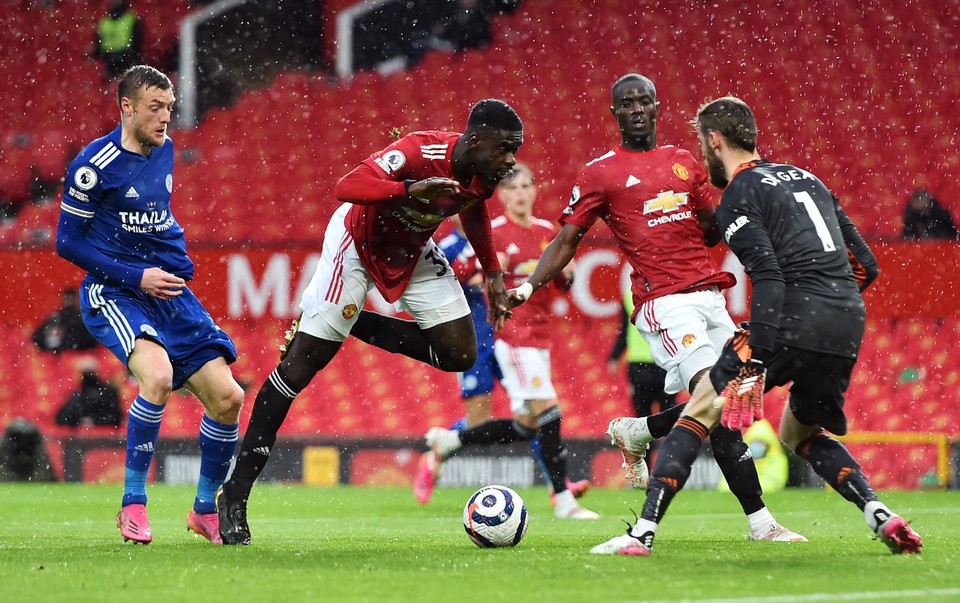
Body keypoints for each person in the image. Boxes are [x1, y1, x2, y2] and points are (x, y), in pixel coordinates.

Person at [590, 95, 921, 556]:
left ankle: (641, 533)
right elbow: (867, 264)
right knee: (798, 433)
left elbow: (767, 274)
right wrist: (829, 310)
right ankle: (878, 512)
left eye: (703, 147)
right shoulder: (808, 178)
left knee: (701, 410)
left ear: (714, 141)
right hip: (845, 322)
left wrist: (759, 353)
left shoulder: (740, 194)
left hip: (792, 320)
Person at [503, 74, 804, 543]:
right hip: (664, 302)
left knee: (727, 403)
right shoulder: (600, 172)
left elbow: (710, 228)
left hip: (709, 296)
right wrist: (527, 287)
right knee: (715, 399)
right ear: (615, 113)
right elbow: (566, 240)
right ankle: (757, 523)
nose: (637, 109)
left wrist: (745, 208)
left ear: (657, 107)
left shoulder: (684, 162)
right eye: (627, 103)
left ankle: (640, 431)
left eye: (644, 101)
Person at [216, 99, 524, 545]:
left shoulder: (483, 174)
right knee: (299, 368)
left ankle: (347, 320)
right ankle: (235, 494)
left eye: (515, 150)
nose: (511, 160)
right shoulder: (419, 151)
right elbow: (348, 185)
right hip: (357, 242)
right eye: (505, 149)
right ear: (475, 141)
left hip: (410, 249)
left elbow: (472, 207)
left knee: (459, 352)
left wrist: (492, 272)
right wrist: (408, 190)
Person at [56, 65, 245, 545]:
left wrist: (170, 257)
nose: (165, 117)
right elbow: (67, 242)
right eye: (155, 107)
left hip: (168, 292)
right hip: (115, 291)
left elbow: (153, 217)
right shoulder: (93, 165)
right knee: (157, 377)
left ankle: (205, 510)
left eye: (170, 107)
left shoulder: (166, 150)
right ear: (127, 107)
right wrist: (136, 275)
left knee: (229, 398)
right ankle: (133, 504)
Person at [415, 165, 597, 518]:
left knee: (525, 425)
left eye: (526, 185)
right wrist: (486, 270)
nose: (520, 193)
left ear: (535, 189)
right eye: (512, 187)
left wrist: (568, 272)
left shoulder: (547, 232)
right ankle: (564, 500)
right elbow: (460, 270)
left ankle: (450, 440)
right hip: (511, 336)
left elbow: (564, 284)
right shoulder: (493, 232)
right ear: (501, 194)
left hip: (540, 338)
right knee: (549, 411)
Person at [607, 286, 676, 418]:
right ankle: (671, 432)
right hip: (664, 361)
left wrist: (615, 357)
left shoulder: (630, 297)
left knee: (642, 414)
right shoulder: (669, 293)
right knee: (669, 412)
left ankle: (649, 431)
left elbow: (624, 331)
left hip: (639, 365)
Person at [55, 357, 124, 428]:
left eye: (90, 373)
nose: (87, 376)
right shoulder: (78, 394)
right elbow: (62, 418)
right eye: (85, 373)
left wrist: (94, 421)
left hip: (103, 433)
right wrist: (80, 421)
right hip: (81, 433)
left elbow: (116, 418)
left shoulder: (107, 392)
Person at [32, 288, 99, 353]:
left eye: (70, 298)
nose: (69, 301)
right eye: (67, 298)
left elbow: (89, 341)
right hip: (67, 354)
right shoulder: (56, 318)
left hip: (73, 355)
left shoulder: (78, 320)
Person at [93, 1, 143, 80]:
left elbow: (138, 41)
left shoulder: (131, 19)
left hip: (126, 58)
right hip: (109, 61)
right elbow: (98, 44)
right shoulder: (104, 23)